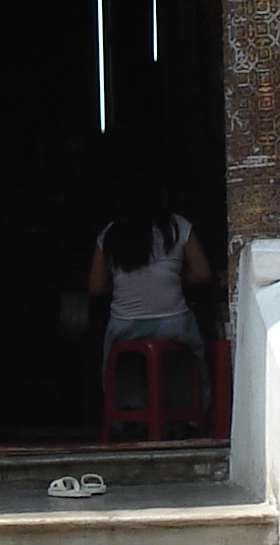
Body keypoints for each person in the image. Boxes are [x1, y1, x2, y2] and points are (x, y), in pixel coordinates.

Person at [89, 177, 215, 415]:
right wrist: (175, 276)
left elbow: (96, 288)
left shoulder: (110, 234)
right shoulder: (179, 226)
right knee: (188, 361)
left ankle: (129, 415)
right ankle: (187, 416)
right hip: (173, 322)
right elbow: (202, 273)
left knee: (122, 365)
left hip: (125, 325)